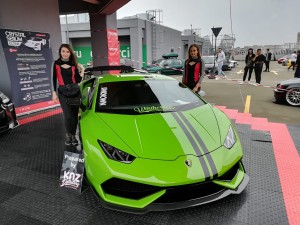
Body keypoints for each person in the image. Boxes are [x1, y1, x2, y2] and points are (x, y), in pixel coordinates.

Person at [52, 44, 85, 146]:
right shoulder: (56, 64)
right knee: (68, 116)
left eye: (67, 52)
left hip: (75, 92)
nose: (65, 53)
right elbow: (54, 79)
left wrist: (82, 69)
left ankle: (73, 136)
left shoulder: (73, 64)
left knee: (74, 116)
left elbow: (78, 80)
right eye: (63, 51)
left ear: (70, 53)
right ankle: (68, 134)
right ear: (60, 52)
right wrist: (54, 93)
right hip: (62, 92)